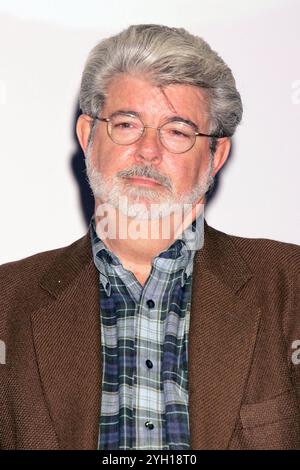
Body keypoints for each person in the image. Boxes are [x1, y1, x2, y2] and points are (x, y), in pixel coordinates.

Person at [0, 24, 299, 451]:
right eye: (126, 124)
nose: (147, 150)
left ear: (216, 156)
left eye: (177, 131)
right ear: (88, 137)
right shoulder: (5, 301)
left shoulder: (291, 286)